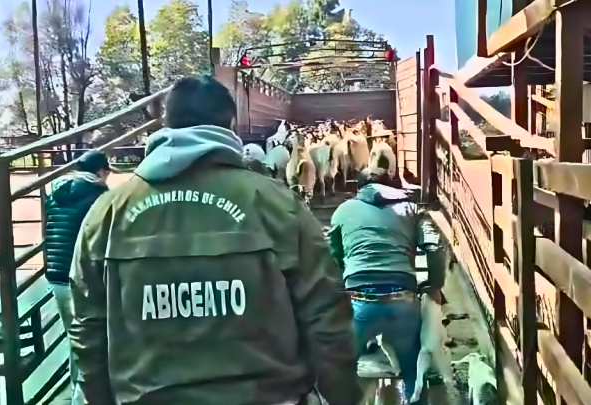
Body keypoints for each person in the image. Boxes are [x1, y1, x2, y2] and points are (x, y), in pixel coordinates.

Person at [69, 76, 361, 405]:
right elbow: (326, 316)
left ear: (166, 123)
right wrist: (341, 396)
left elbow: (87, 329)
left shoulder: (107, 213)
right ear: (230, 124)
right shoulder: (277, 204)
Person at [328, 168, 446, 403]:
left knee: (342, 368)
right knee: (413, 369)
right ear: (393, 186)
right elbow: (434, 246)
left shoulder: (343, 210)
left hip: (357, 299)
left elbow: (331, 256)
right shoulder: (411, 209)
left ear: (358, 188)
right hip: (402, 296)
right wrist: (435, 284)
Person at [45, 150, 111, 404]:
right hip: (83, 275)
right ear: (100, 172)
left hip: (56, 272)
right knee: (90, 338)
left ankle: (77, 393)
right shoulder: (99, 194)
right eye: (106, 172)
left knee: (75, 336)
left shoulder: (55, 192)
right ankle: (82, 396)